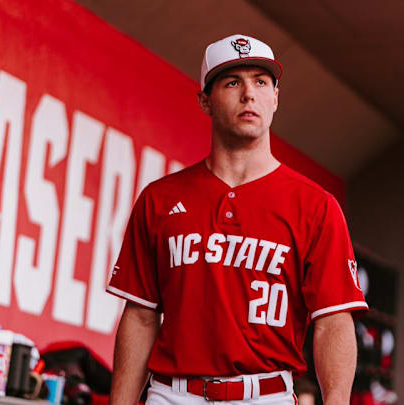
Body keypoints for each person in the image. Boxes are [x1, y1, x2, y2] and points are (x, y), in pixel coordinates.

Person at [106, 34, 367, 405]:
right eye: (232, 82)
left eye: (261, 82)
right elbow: (141, 316)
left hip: (266, 393)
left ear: (275, 98)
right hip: (173, 394)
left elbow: (332, 321)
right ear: (204, 100)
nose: (249, 94)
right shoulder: (160, 199)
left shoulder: (315, 205)